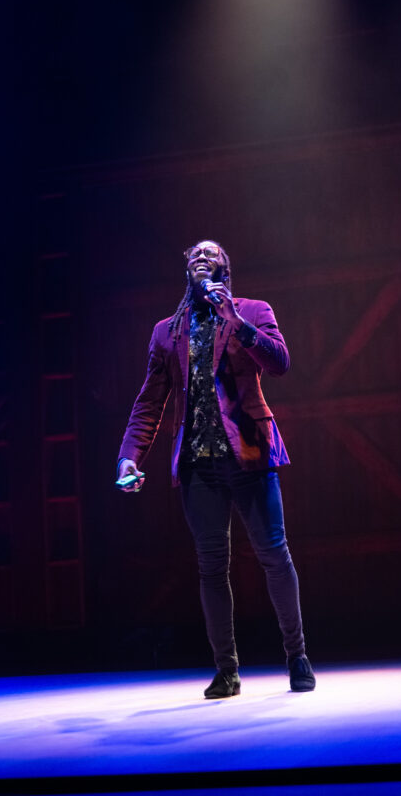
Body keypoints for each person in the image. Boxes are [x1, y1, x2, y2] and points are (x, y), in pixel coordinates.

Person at [116, 240, 316, 698]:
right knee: (211, 566)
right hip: (197, 464)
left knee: (273, 553)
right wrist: (129, 455)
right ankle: (226, 670)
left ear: (225, 266)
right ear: (187, 268)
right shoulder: (168, 331)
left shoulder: (253, 310)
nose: (201, 255)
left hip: (249, 452)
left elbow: (280, 362)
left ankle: (297, 655)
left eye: (211, 252)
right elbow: (149, 401)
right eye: (193, 253)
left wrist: (238, 324)